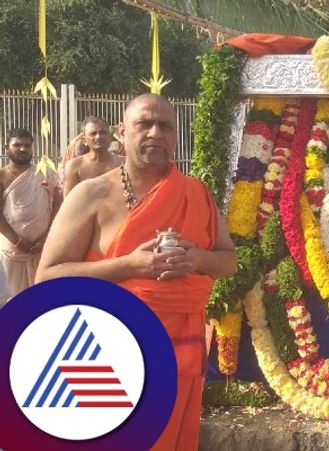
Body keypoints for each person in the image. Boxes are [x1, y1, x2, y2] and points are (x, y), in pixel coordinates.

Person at [36, 94, 237, 450]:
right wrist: (130, 265)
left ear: (176, 136)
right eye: (144, 123)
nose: (155, 133)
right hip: (108, 357)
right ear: (122, 132)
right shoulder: (91, 195)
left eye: (166, 126)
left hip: (179, 355)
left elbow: (228, 261)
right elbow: (48, 277)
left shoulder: (195, 193)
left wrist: (198, 260)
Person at [0, 128, 61, 297]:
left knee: (42, 297)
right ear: (7, 147)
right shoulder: (2, 176)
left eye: (27, 145)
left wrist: (47, 235)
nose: (22, 149)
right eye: (17, 145)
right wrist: (18, 241)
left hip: (42, 247)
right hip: (12, 249)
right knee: (14, 299)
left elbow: (57, 203)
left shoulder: (45, 172)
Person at [62, 117, 124, 197]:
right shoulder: (74, 167)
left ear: (110, 136)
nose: (98, 137)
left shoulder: (123, 163)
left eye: (103, 133)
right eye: (93, 133)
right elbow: (69, 203)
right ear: (84, 140)